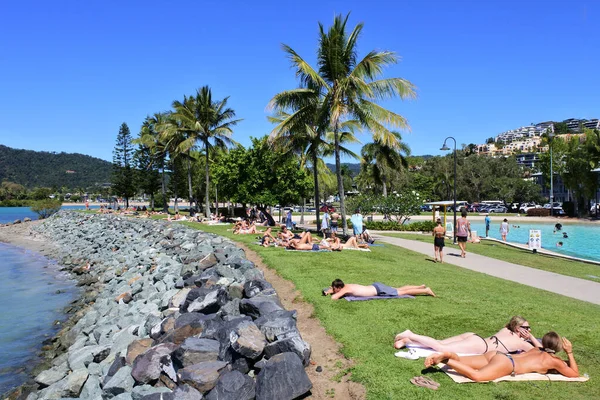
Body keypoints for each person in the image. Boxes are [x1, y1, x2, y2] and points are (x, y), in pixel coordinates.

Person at [424, 332, 579, 381]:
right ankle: (447, 359)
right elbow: (574, 374)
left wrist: (531, 335)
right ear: (558, 349)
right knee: (477, 376)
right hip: (507, 364)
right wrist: (569, 353)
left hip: (498, 355)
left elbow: (539, 345)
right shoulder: (554, 361)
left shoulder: (536, 350)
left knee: (464, 361)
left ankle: (450, 355)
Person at [394, 316, 542, 353]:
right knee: (441, 347)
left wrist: (526, 334)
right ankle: (411, 334)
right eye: (527, 328)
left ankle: (406, 341)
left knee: (441, 343)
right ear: (518, 328)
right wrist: (531, 338)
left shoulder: (506, 329)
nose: (529, 330)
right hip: (480, 345)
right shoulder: (520, 342)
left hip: (474, 337)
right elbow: (541, 352)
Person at [323, 279, 436, 300]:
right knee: (398, 289)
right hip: (376, 286)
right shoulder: (346, 286)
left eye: (334, 288)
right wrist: (331, 290)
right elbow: (337, 293)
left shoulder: (344, 290)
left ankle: (425, 290)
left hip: (378, 290)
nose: (334, 290)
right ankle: (420, 286)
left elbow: (334, 298)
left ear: (338, 288)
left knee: (402, 292)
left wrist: (330, 292)